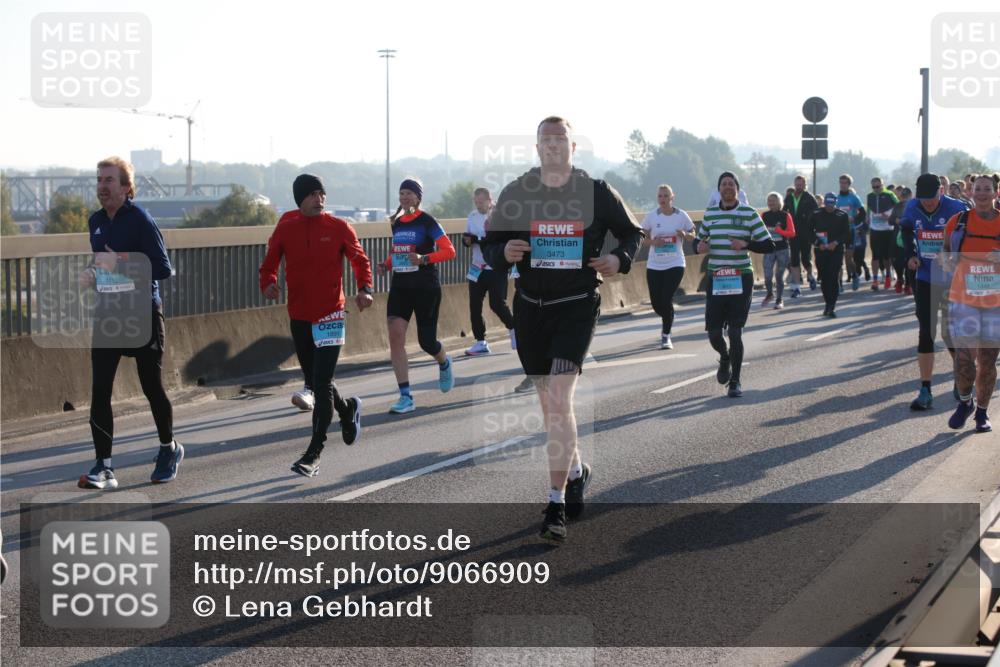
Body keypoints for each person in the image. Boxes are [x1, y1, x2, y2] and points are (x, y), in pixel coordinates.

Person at [482, 116, 643, 543]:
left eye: (560, 140)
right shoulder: (517, 192)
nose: (553, 146)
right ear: (537, 147)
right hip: (530, 309)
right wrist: (504, 251)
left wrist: (619, 259)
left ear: (573, 147)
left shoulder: (596, 192)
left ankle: (555, 504)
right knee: (549, 405)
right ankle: (575, 472)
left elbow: (632, 233)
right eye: (545, 140)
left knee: (559, 397)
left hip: (576, 305)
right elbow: (489, 243)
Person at [259, 174, 374, 476]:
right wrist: (268, 282)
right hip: (299, 314)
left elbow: (360, 260)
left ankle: (314, 454)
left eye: (321, 193)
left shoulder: (339, 227)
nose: (319, 199)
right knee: (316, 378)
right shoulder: (286, 226)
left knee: (320, 383)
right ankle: (347, 410)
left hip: (331, 314)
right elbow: (270, 262)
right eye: (312, 194)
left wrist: (364, 288)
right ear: (300, 199)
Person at [77, 156, 179, 489]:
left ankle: (168, 448)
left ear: (126, 187)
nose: (102, 186)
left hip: (142, 314)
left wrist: (117, 263)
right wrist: (92, 273)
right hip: (109, 314)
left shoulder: (141, 220)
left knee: (151, 386)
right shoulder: (95, 221)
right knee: (100, 391)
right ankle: (104, 467)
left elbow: (162, 268)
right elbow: (103, 262)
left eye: (109, 180)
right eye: (98, 180)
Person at [377, 178, 457, 414]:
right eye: (401, 193)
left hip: (425, 287)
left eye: (409, 193)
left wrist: (424, 259)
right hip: (401, 287)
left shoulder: (428, 221)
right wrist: (386, 265)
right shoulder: (397, 223)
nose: (404, 197)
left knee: (427, 342)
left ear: (418, 197)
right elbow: (398, 252)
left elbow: (449, 251)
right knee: (395, 334)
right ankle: (405, 396)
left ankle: (444, 362)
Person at [696, 172, 775, 398]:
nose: (727, 187)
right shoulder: (711, 213)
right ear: (719, 189)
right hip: (716, 277)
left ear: (737, 190)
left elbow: (769, 245)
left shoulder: (749, 213)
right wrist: (699, 247)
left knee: (735, 331)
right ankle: (725, 357)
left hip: (741, 277)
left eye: (731, 184)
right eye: (724, 184)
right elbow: (699, 240)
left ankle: (735, 382)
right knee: (714, 333)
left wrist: (746, 244)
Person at [900, 173, 970, 411]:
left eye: (931, 198)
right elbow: (906, 231)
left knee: (950, 332)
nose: (928, 203)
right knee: (926, 331)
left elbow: (969, 236)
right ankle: (925, 389)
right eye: (923, 199)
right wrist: (910, 255)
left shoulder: (957, 208)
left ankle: (960, 378)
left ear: (941, 191)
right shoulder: (912, 207)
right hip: (925, 276)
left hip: (952, 279)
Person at [943, 175, 999, 433]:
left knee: (987, 361)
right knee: (964, 359)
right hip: (964, 298)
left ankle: (982, 413)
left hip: (995, 302)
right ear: (971, 192)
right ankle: (965, 402)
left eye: (987, 189)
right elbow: (945, 253)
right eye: (978, 189)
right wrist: (948, 261)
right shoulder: (958, 222)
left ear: (996, 193)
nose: (982, 193)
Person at [463, 187, 516, 356]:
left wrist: (477, 239)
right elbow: (467, 237)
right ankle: (480, 342)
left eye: (481, 202)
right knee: (474, 305)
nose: (478, 205)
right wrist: (467, 241)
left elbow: (496, 239)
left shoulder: (498, 216)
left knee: (497, 304)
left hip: (495, 267)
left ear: (489, 200)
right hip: (477, 267)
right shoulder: (472, 216)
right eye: (476, 202)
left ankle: (514, 329)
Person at [641, 184, 695, 348]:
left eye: (666, 196)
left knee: (665, 298)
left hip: (675, 263)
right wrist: (653, 242)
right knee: (656, 304)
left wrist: (685, 234)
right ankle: (669, 314)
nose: (662, 199)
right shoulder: (652, 216)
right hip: (654, 265)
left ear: (672, 198)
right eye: (660, 196)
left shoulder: (681, 215)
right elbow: (641, 238)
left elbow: (693, 234)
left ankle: (666, 336)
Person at [810, 193, 852, 317]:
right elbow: (808, 232)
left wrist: (836, 242)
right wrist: (818, 243)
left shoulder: (842, 215)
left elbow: (846, 233)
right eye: (828, 204)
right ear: (824, 203)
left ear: (835, 203)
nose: (830, 207)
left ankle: (831, 306)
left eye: (832, 204)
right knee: (824, 278)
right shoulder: (816, 214)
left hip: (835, 250)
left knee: (833, 277)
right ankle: (827, 303)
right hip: (821, 250)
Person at [784, 175, 819, 297]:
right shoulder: (789, 197)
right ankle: (796, 287)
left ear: (805, 185)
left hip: (806, 233)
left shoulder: (809, 198)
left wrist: (811, 224)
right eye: (797, 184)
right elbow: (784, 212)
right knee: (794, 259)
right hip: (793, 233)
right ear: (794, 184)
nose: (798, 186)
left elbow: (816, 213)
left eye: (801, 184)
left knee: (805, 259)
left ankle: (810, 275)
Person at [760, 191, 795, 309]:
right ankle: (770, 294)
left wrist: (780, 231)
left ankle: (779, 300)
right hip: (769, 249)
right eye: (769, 201)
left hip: (782, 249)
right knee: (767, 275)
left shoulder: (785, 215)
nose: (771, 203)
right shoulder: (764, 215)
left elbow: (792, 233)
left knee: (779, 276)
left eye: (773, 201)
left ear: (779, 202)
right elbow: (759, 231)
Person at [835, 174, 868, 291]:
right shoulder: (836, 198)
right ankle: (839, 284)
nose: (842, 185)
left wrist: (854, 219)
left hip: (851, 231)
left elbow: (863, 213)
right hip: (838, 232)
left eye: (845, 183)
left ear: (849, 184)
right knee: (838, 260)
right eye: (841, 182)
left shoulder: (854, 198)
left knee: (848, 259)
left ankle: (854, 275)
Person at [867, 176, 899, 291]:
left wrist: (891, 217)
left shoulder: (889, 194)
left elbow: (899, 206)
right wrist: (867, 218)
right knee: (875, 256)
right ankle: (875, 280)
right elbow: (869, 209)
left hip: (887, 229)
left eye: (878, 186)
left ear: (882, 185)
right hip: (875, 229)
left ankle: (888, 277)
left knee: (886, 256)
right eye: (874, 187)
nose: (876, 189)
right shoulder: (870, 196)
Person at [889, 187, 915, 295]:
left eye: (906, 196)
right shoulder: (897, 206)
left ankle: (908, 284)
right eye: (903, 196)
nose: (904, 198)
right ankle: (900, 278)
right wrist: (897, 220)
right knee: (896, 261)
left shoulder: (915, 206)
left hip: (909, 237)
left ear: (911, 195)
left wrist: (905, 222)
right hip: (897, 237)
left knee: (909, 260)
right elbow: (890, 220)